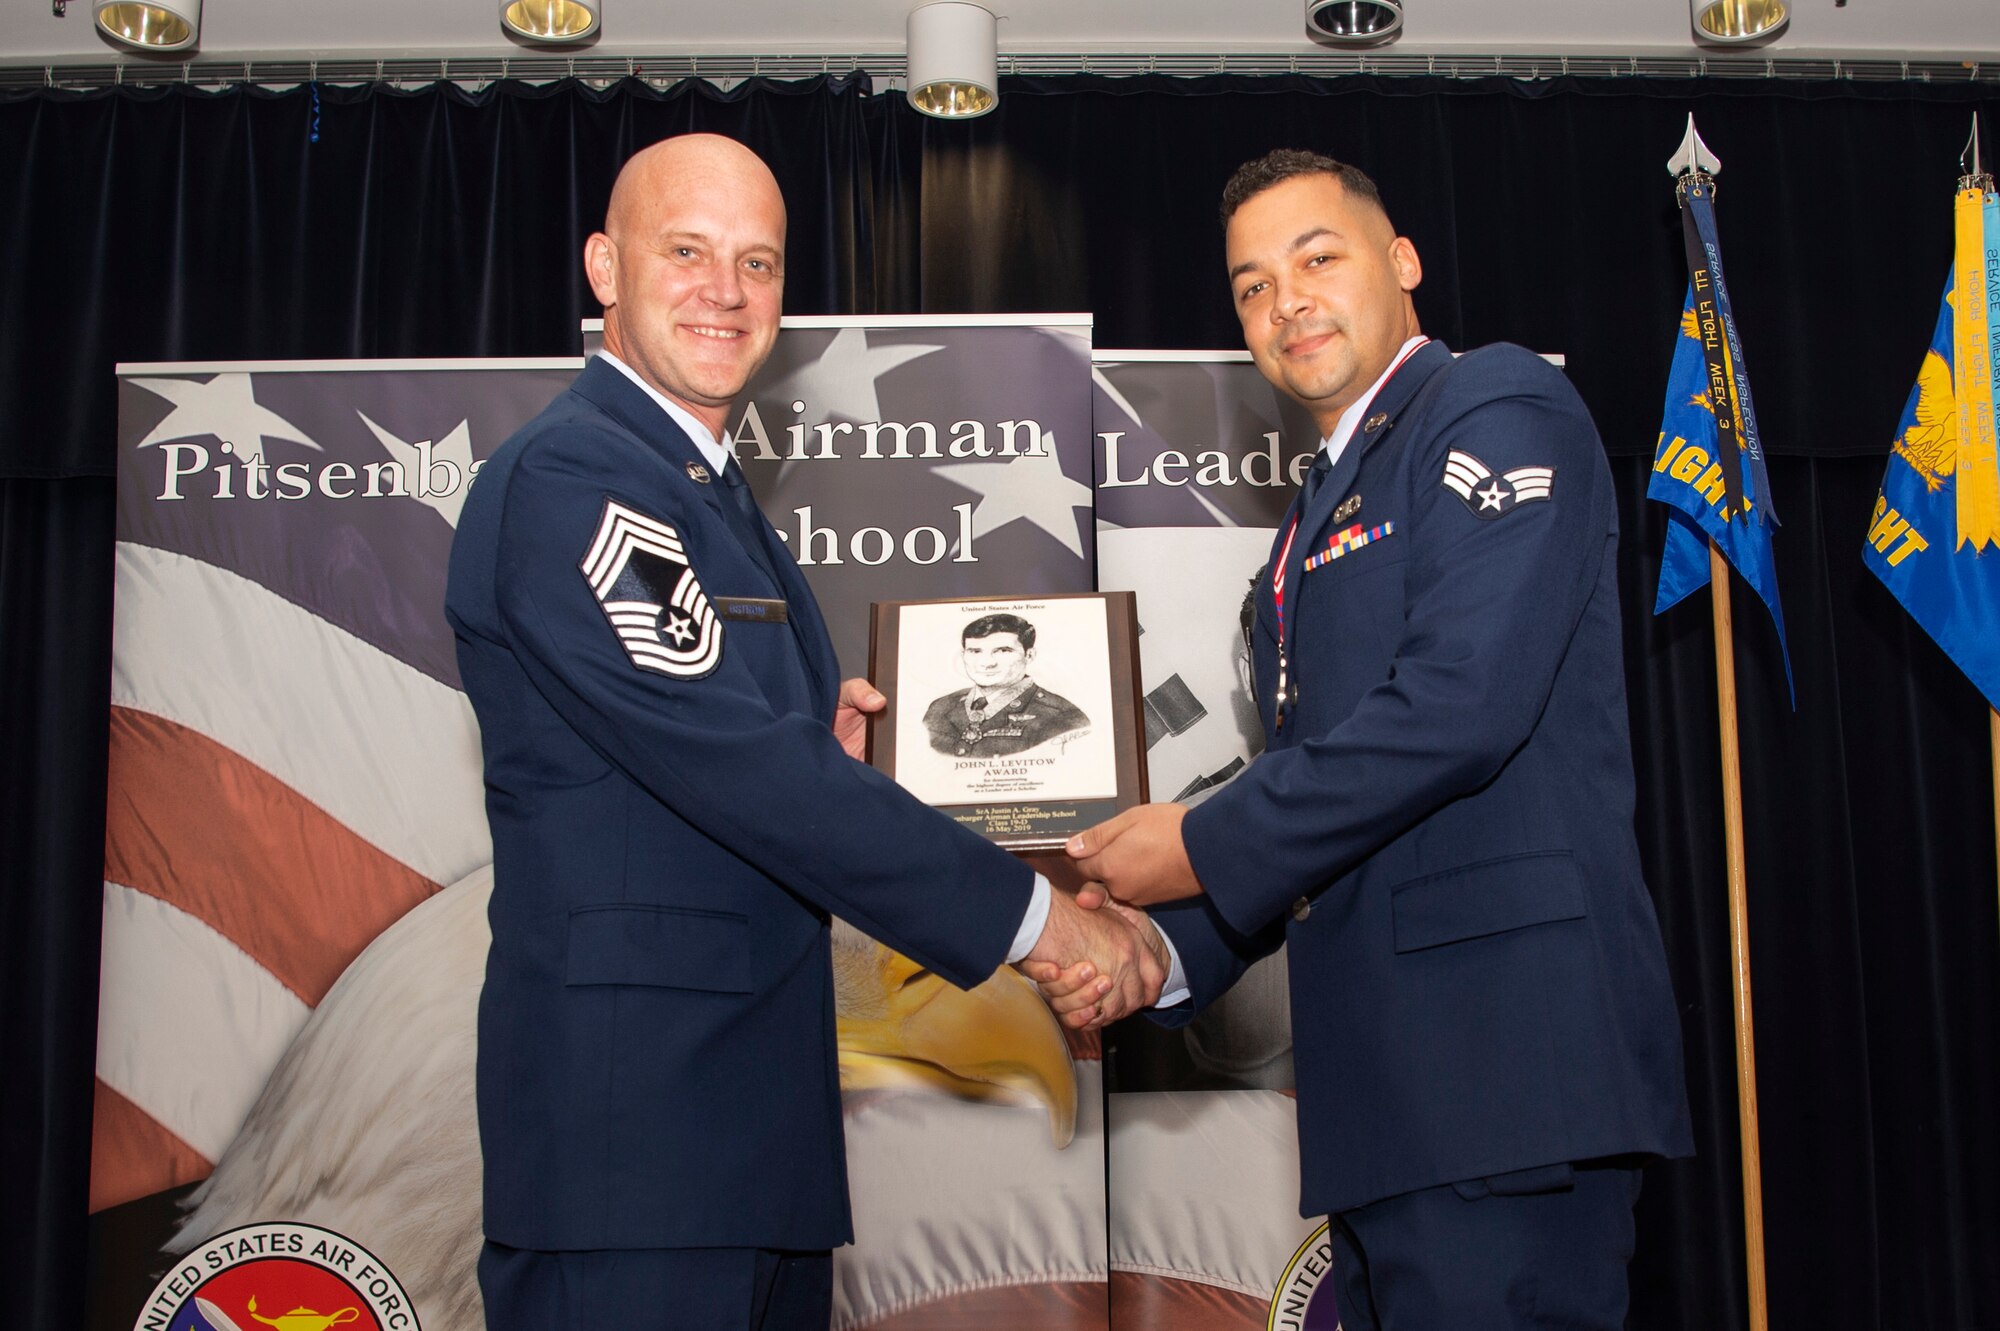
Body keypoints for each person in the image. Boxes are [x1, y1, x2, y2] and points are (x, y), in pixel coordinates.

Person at [444, 134, 1162, 1331]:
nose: (725, 291)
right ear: (602, 268)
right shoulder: (582, 477)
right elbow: (739, 771)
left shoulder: (705, 492)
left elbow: (722, 760)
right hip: (641, 1160)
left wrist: (802, 746)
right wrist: (1045, 923)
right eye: (685, 251)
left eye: (758, 261)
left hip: (740, 1144)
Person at [1033, 149, 1694, 1328]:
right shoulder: (1305, 528)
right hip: (1388, 1109)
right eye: (1248, 284)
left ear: (1400, 263)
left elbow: (1457, 706)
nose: (1282, 299)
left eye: (1315, 257)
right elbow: (1317, 797)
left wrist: (1193, 842)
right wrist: (1153, 948)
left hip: (1505, 1083)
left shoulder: (1491, 404)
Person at [922, 613, 1091, 758]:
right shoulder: (940, 707)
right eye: (975, 651)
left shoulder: (1063, 717)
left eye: (1003, 651)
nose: (986, 663)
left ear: (1029, 655)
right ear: (963, 654)